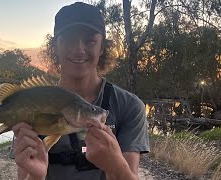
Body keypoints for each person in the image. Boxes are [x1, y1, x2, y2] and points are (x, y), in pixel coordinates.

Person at [12, 2, 150, 180]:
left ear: (102, 47)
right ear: (55, 46)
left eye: (90, 40)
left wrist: (116, 166)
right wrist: (36, 177)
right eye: (69, 39)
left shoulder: (130, 107)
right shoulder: (34, 102)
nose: (78, 49)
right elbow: (23, 175)